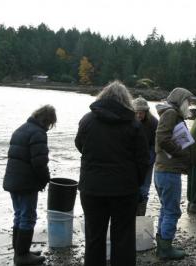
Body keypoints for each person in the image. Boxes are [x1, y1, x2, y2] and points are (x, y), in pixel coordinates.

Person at [75, 81, 149, 266]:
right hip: (124, 190)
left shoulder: (87, 120)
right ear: (126, 100)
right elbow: (143, 160)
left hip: (92, 189)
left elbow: (80, 145)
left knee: (94, 237)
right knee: (123, 238)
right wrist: (137, 184)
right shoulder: (134, 125)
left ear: (103, 96)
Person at [3, 105, 57, 266]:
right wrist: (45, 179)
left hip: (12, 180)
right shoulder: (38, 133)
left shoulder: (21, 129)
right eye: (51, 123)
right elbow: (39, 162)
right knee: (28, 217)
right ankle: (22, 256)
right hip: (26, 183)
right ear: (47, 121)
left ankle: (20, 251)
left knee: (19, 215)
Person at [154, 87, 193, 260]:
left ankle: (162, 245)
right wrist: (180, 152)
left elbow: (163, 138)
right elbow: (162, 139)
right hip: (168, 171)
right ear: (181, 100)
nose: (190, 105)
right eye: (188, 101)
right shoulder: (170, 114)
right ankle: (165, 249)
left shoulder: (170, 113)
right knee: (172, 211)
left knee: (166, 209)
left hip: (163, 170)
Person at [132, 96, 158, 216]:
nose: (138, 116)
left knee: (144, 188)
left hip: (148, 157)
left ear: (146, 112)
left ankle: (140, 213)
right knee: (132, 186)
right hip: (133, 159)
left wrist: (149, 159)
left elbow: (155, 144)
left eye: (141, 113)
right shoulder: (129, 122)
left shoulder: (153, 122)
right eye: (136, 113)